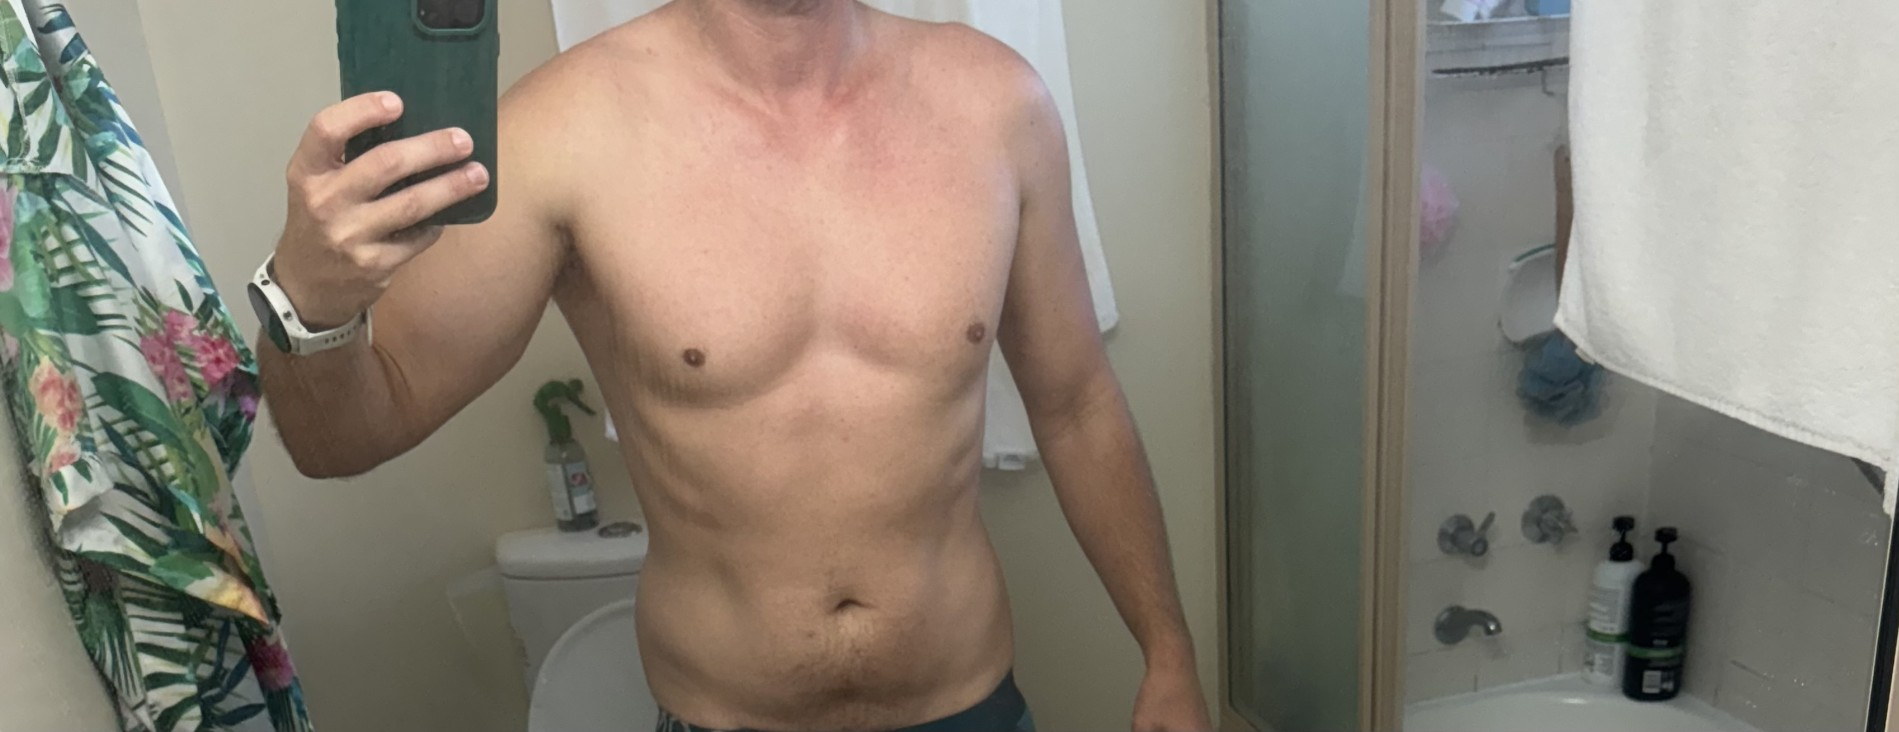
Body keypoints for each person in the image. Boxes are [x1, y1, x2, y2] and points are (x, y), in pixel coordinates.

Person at [258, 1, 1210, 730]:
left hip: (968, 707)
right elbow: (343, 438)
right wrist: (312, 304)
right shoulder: (566, 130)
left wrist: (1168, 653)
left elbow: (1077, 404)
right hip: (722, 715)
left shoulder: (997, 103)